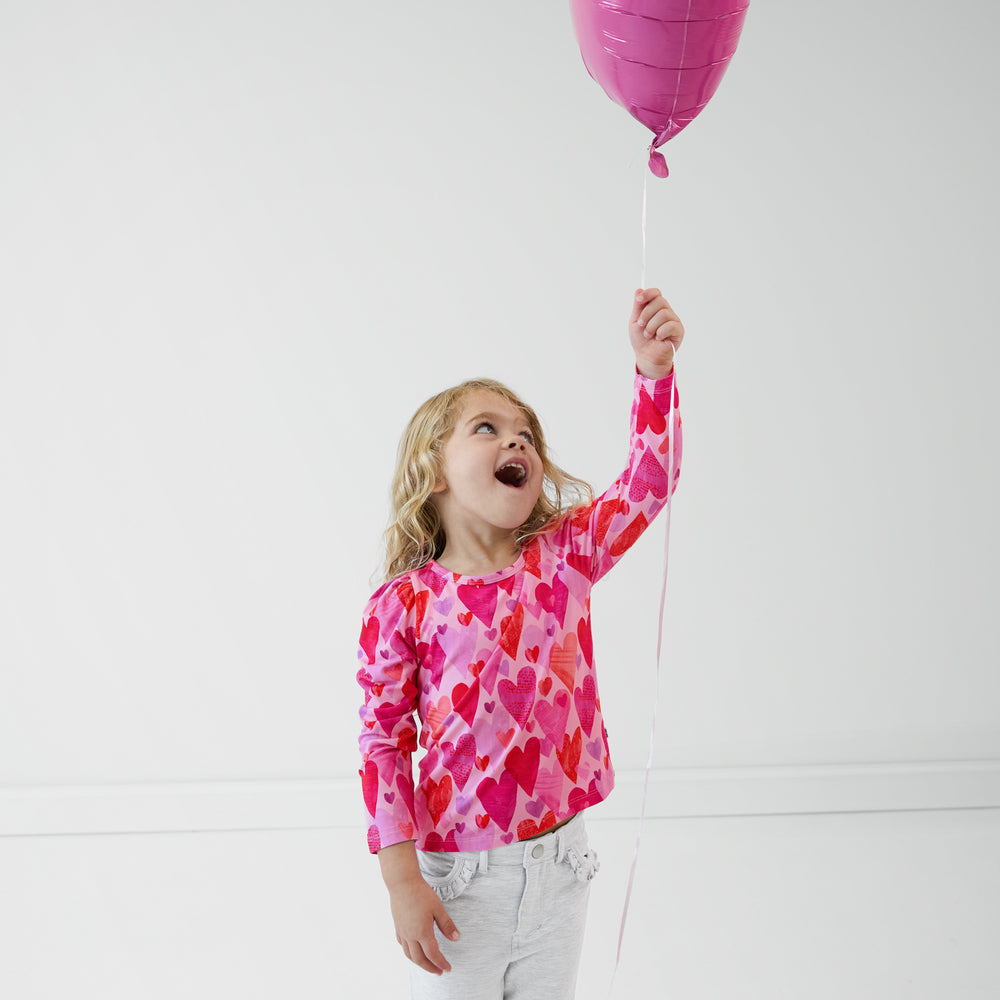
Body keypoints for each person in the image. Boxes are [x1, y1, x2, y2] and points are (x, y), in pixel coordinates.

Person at [356, 287, 684, 999]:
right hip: (459, 882)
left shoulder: (564, 557)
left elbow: (649, 484)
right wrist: (400, 878)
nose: (516, 441)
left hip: (562, 868)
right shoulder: (404, 604)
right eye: (487, 428)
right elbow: (383, 742)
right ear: (433, 470)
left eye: (527, 434)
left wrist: (652, 373)